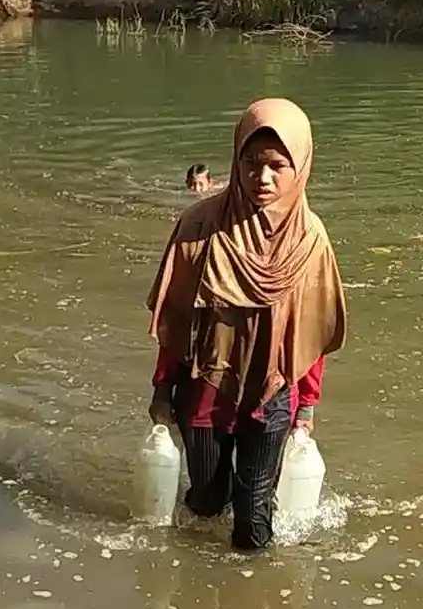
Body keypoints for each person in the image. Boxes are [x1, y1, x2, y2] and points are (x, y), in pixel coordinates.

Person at [146, 98, 348, 551]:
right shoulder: (199, 226)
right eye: (251, 163)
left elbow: (311, 334)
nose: (263, 177)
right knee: (205, 502)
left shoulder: (311, 240)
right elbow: (176, 320)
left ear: (301, 168)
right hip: (204, 391)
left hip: (274, 395)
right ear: (235, 160)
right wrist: (162, 389)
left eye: (278, 166)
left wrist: (308, 406)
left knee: (254, 522)